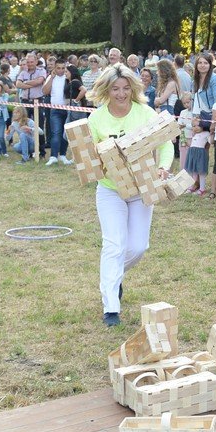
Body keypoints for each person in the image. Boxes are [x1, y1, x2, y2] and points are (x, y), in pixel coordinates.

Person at [85, 65, 173, 327]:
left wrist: (163, 167)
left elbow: (165, 143)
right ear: (106, 90)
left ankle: (112, 276)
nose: (121, 94)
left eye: (125, 88)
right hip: (110, 190)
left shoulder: (145, 113)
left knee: (137, 247)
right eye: (115, 89)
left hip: (140, 189)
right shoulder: (96, 119)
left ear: (133, 89)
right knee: (113, 245)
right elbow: (88, 157)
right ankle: (111, 307)